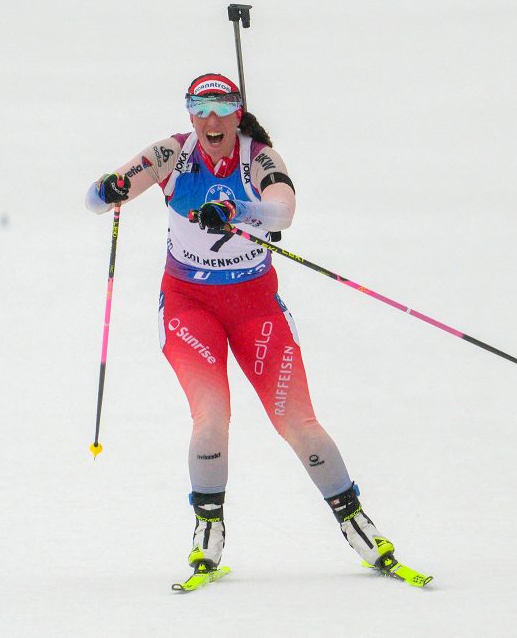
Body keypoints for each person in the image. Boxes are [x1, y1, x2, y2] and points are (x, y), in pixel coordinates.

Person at [86, 73, 416, 582]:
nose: (212, 119)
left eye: (223, 108)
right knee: (211, 418)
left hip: (255, 309)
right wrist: (108, 188)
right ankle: (208, 531)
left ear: (238, 113)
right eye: (202, 108)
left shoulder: (257, 157)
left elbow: (283, 207)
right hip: (188, 305)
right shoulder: (172, 154)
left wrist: (238, 209)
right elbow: (96, 195)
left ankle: (355, 522)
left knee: (299, 423)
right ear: (190, 113)